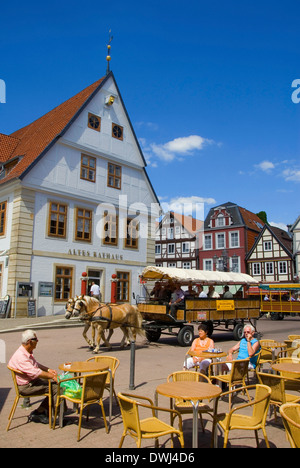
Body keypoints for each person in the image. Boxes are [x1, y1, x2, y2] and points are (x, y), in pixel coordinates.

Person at [8, 330, 60, 424]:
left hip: (31, 381)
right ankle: (58, 416)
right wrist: (52, 376)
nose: (38, 341)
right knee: (56, 388)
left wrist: (48, 370)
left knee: (55, 383)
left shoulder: (25, 351)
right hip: (26, 386)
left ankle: (41, 411)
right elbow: (35, 372)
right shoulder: (21, 357)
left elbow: (35, 364)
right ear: (29, 341)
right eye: (36, 339)